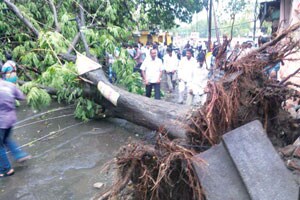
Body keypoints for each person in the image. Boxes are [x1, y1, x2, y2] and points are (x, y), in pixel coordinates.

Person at [0, 79, 31, 177]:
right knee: (6, 139)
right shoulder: (9, 85)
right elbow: (21, 97)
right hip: (10, 119)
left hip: (1, 121)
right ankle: (20, 155)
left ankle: (6, 169)